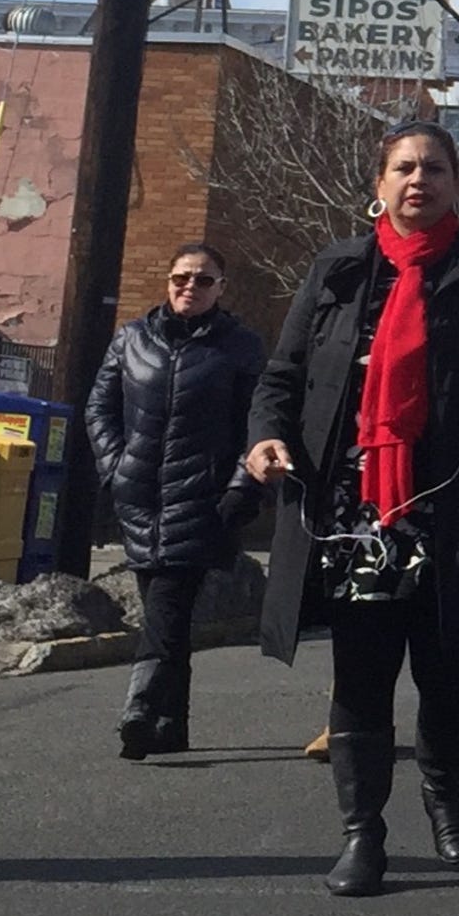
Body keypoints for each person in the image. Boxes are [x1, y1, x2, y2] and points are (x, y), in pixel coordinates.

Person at [245, 120, 459, 897]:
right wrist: (264, 438)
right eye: (403, 168)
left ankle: (444, 786)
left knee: (452, 673)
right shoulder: (339, 270)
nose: (417, 181)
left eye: (434, 168)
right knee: (360, 679)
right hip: (357, 511)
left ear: (457, 183)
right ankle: (363, 835)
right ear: (380, 184)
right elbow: (283, 376)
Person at [87, 241, 265, 761]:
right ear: (167, 282)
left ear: (221, 289)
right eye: (181, 277)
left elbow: (257, 424)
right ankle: (173, 723)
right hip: (140, 495)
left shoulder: (239, 347)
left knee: (167, 603)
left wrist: (238, 489)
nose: (191, 287)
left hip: (201, 499)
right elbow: (100, 406)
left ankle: (139, 710)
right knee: (168, 614)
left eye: (204, 279)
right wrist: (115, 467)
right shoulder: (132, 340)